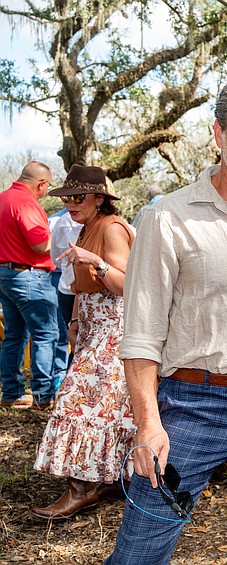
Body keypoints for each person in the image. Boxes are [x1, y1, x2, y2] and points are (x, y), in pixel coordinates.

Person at [105, 76, 227, 564]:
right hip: (191, 405)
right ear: (218, 134)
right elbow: (141, 336)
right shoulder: (167, 218)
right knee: (142, 548)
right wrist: (148, 425)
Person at [33, 164, 136, 519]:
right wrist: (76, 318)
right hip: (92, 323)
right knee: (110, 407)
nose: (71, 204)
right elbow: (80, 283)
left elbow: (127, 285)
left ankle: (80, 489)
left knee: (77, 400)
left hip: (114, 327)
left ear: (99, 198)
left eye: (78, 197)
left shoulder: (111, 229)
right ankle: (107, 480)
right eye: (67, 198)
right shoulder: (85, 229)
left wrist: (96, 262)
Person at [0, 161, 58, 410]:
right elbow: (39, 244)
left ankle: (12, 392)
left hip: (5, 274)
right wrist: (56, 237)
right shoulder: (26, 203)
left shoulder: (3, 198)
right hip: (29, 276)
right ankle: (44, 396)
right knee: (46, 335)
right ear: (42, 184)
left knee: (14, 335)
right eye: (48, 186)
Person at [47, 207, 83, 393]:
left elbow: (54, 256)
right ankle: (65, 380)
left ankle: (63, 377)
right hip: (74, 288)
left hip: (67, 285)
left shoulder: (59, 221)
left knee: (66, 335)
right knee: (72, 335)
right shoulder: (60, 221)